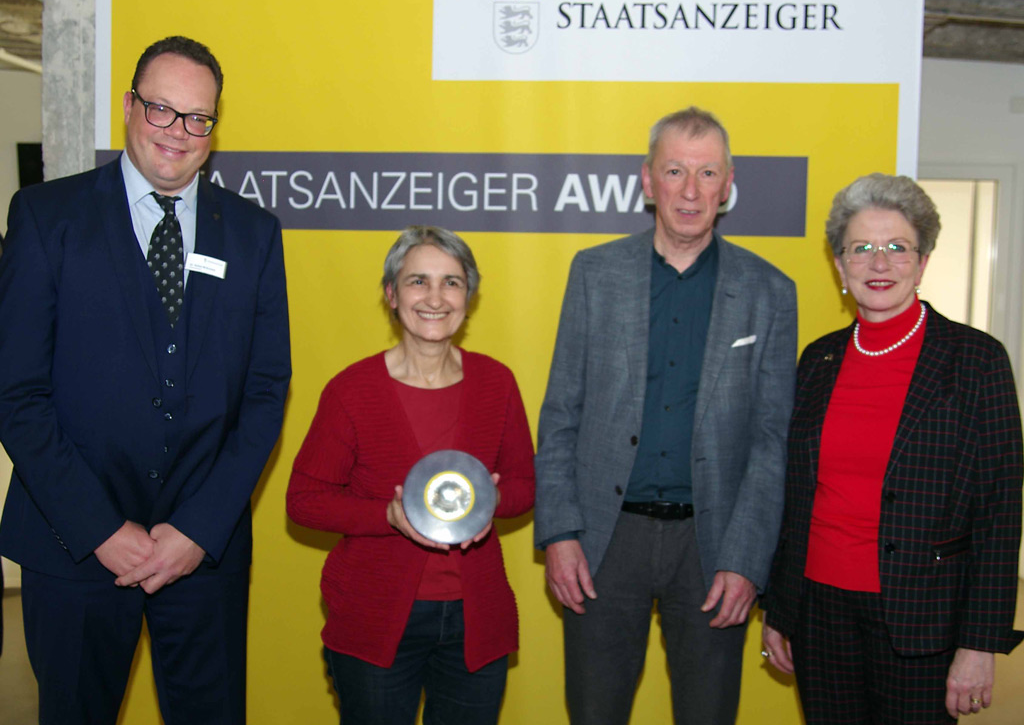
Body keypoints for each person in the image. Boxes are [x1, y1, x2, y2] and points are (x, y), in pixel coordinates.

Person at [0, 36, 291, 725]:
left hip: (203, 554)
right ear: (129, 107)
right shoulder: (47, 219)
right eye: (161, 110)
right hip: (72, 546)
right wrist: (101, 528)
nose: (177, 133)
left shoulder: (253, 234)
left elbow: (265, 392)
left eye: (197, 118)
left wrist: (198, 527)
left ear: (214, 129)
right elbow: (17, 394)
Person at [534, 106, 797, 724]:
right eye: (675, 170)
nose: (690, 190)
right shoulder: (594, 274)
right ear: (648, 180)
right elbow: (560, 412)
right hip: (604, 539)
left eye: (707, 174)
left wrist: (747, 559)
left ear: (728, 185)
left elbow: (770, 441)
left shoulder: (770, 291)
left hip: (712, 549)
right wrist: (561, 532)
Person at [761, 173, 1024, 724]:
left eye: (897, 248)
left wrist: (980, 644)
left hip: (923, 618)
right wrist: (780, 611)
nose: (879, 264)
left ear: (922, 262)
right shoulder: (817, 360)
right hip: (820, 612)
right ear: (839, 265)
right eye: (861, 249)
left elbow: (1000, 512)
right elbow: (793, 497)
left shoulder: (976, 361)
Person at [287, 225, 535, 725]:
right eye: (418, 281)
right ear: (391, 295)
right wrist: (387, 515)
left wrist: (489, 504)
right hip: (375, 619)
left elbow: (525, 484)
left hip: (475, 619)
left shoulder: (496, 382)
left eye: (452, 282)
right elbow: (305, 500)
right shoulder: (351, 390)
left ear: (470, 295)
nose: (436, 298)